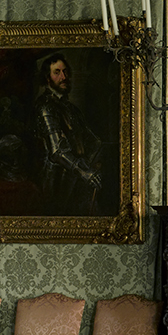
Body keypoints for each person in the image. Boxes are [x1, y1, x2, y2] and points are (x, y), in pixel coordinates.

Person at [33, 51, 105, 214]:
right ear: (47, 78)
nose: (63, 77)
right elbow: (57, 151)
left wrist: (95, 159)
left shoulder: (72, 109)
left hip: (77, 178)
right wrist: (86, 173)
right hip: (56, 180)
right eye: (57, 72)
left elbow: (92, 140)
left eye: (65, 71)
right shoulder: (45, 107)